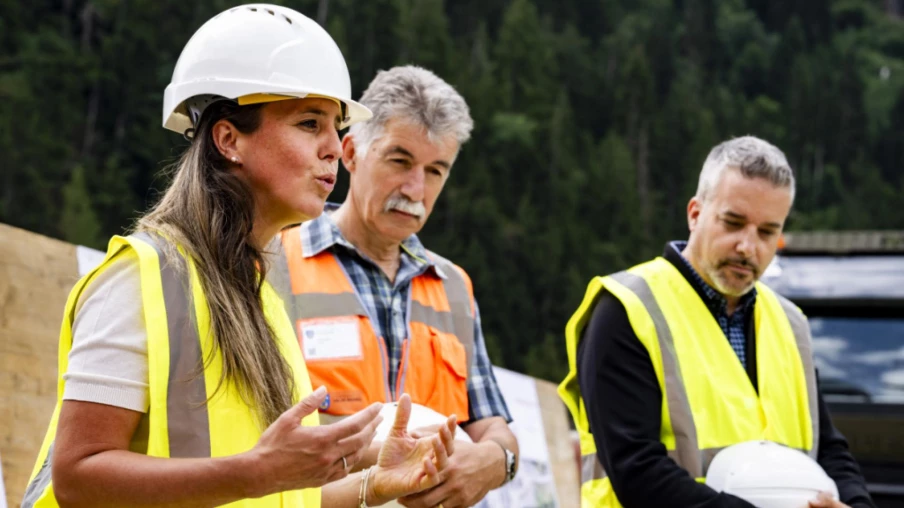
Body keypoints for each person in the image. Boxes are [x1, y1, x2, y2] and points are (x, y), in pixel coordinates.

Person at [22, 5, 457, 507]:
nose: (335, 149)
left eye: (335, 127)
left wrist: (373, 485)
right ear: (229, 139)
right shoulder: (143, 279)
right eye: (309, 123)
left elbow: (276, 496)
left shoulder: (262, 298)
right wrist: (256, 471)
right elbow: (77, 477)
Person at [558, 136, 876, 508]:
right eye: (733, 223)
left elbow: (829, 450)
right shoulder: (627, 308)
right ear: (695, 214)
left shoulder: (790, 324)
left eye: (767, 232)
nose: (748, 247)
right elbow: (637, 469)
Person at [267, 65, 519, 508]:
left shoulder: (453, 286)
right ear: (350, 153)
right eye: (400, 161)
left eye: (435, 170)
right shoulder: (271, 262)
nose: (415, 189)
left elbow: (492, 425)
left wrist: (496, 461)